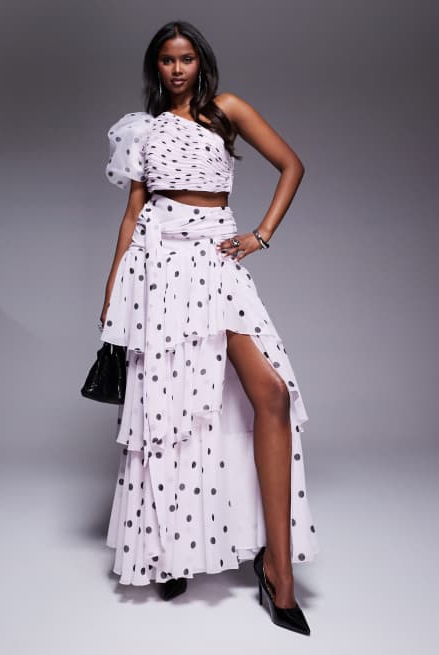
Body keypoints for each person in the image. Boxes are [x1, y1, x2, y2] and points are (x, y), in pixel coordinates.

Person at [99, 20, 319, 635]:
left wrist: (260, 235)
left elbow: (292, 165)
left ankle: (279, 571)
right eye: (167, 60)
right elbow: (133, 213)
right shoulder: (143, 130)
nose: (177, 69)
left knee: (271, 394)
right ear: (156, 66)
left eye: (186, 58)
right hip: (157, 270)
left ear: (201, 63)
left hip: (214, 261)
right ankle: (168, 552)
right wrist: (113, 292)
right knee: (167, 411)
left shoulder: (227, 111)